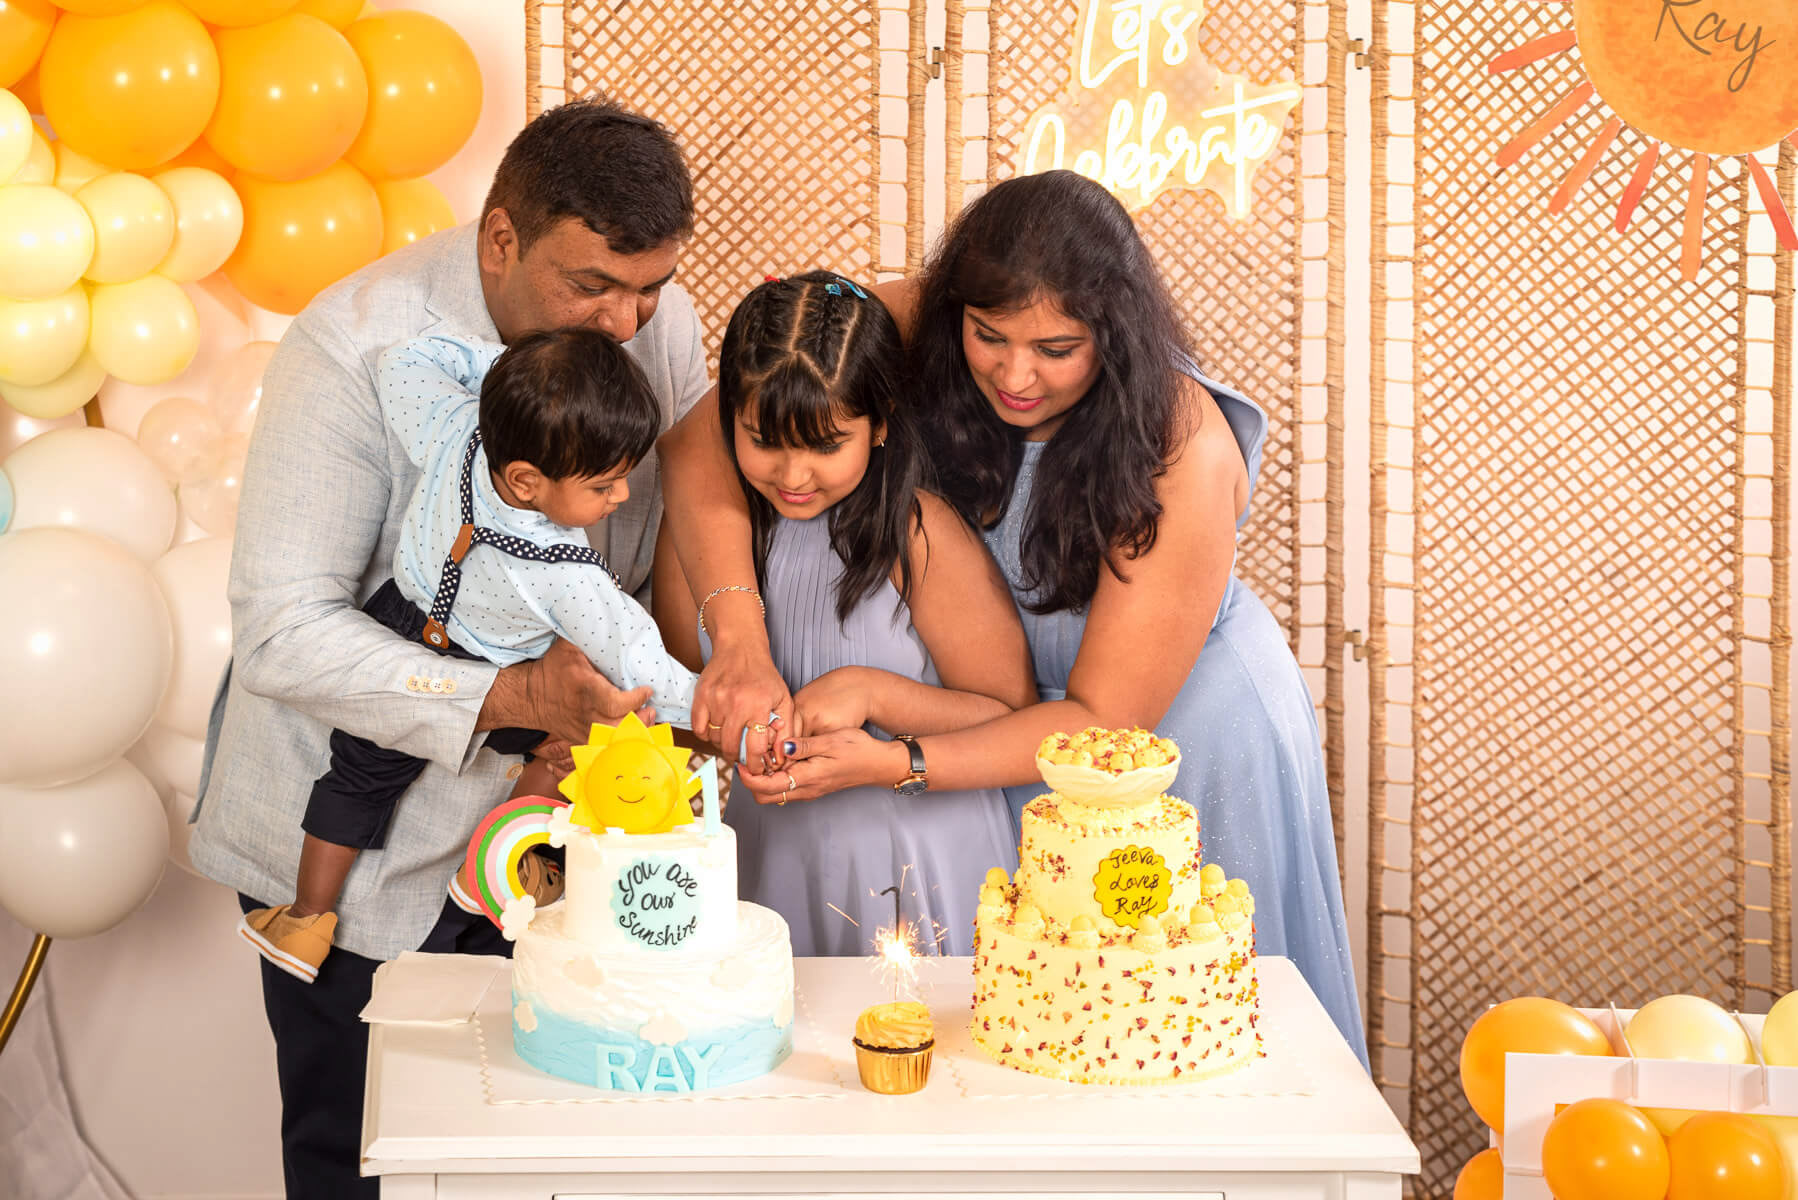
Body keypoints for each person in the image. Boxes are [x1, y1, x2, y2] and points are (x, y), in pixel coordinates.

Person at [659, 170, 1369, 1065]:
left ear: (1116, 334)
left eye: (1057, 349)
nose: (1015, 374)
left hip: (1162, 747)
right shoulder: (918, 315)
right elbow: (697, 445)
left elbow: (1101, 723)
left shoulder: (1182, 448)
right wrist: (741, 643)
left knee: (1172, 1033)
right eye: (988, 337)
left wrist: (901, 760)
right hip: (989, 734)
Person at [188, 98, 709, 1198]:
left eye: (651, 289)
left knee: (545, 1163)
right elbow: (284, 632)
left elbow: (669, 518)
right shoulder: (354, 346)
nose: (628, 323)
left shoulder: (644, 316)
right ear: (501, 238)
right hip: (355, 856)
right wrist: (517, 696)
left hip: (548, 839)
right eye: (594, 286)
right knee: (360, 1162)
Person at [239, 328, 701, 983]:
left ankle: (306, 918)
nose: (621, 496)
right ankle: (503, 864)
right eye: (605, 485)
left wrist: (510, 383)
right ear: (526, 480)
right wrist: (710, 707)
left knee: (357, 779)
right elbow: (637, 656)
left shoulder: (459, 430)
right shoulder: (566, 576)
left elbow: (406, 359)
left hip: (404, 629)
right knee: (569, 746)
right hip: (497, 674)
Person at [652, 272, 1032, 955]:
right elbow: (687, 710)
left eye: (826, 445)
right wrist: (735, 735)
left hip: (921, 860)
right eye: (763, 440)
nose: (794, 475)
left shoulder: (917, 532)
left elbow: (1010, 717)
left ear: (879, 424)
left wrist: (873, 693)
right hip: (776, 859)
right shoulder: (703, 542)